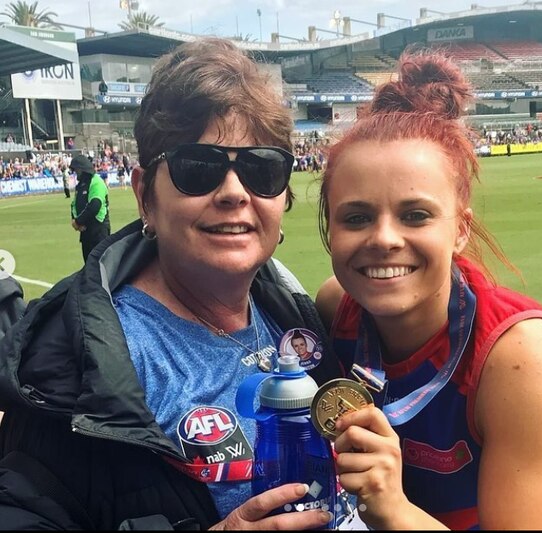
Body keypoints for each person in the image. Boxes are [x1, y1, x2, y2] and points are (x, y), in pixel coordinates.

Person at [0, 37, 340, 530]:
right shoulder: (77, 366)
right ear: (145, 196)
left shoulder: (291, 309)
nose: (233, 192)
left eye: (261, 168)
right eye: (198, 168)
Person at [315, 48, 542, 530]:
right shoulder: (335, 307)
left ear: (460, 229)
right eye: (356, 218)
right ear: (330, 230)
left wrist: (394, 510)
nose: (383, 239)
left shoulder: (516, 356)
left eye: (415, 214)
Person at [69, 154, 111, 262]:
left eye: (76, 170)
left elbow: (95, 205)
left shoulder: (96, 182)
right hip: (85, 232)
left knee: (100, 266)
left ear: (82, 169)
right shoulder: (81, 185)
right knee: (88, 267)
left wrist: (78, 221)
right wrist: (76, 221)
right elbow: (74, 205)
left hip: (98, 231)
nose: (75, 173)